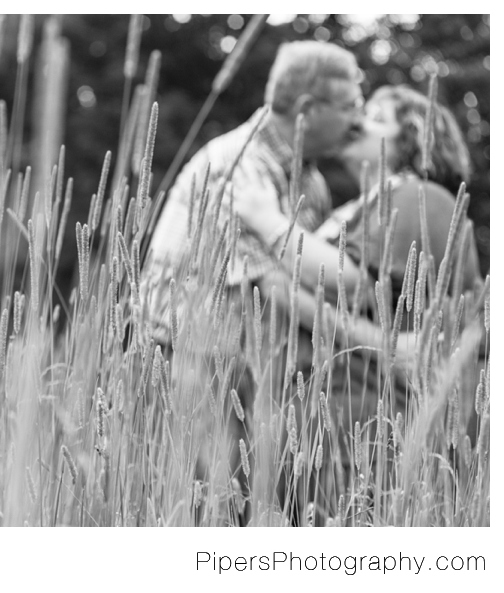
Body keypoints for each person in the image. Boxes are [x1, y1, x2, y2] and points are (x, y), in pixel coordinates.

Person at [232, 85, 484, 518]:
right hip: (327, 416)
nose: (356, 121)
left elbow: (353, 285)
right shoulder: (359, 205)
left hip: (367, 422)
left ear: (410, 140)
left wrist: (268, 224)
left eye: (375, 115)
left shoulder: (417, 197)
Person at [141, 41, 365, 525]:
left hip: (260, 374)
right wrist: (379, 344)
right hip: (195, 366)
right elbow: (271, 287)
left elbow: (309, 284)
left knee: (273, 514)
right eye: (350, 106)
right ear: (308, 108)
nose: (358, 122)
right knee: (213, 514)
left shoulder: (311, 179)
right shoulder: (236, 166)